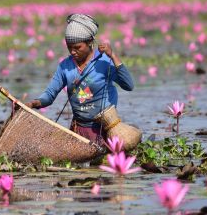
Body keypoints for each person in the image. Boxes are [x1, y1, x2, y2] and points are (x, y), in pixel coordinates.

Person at [26, 14, 134, 147]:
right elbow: (50, 94)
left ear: (90, 43)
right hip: (79, 129)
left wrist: (113, 56)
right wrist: (34, 103)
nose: (72, 52)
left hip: (105, 129)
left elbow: (129, 85)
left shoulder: (104, 62)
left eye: (77, 47)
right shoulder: (65, 66)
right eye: (69, 47)